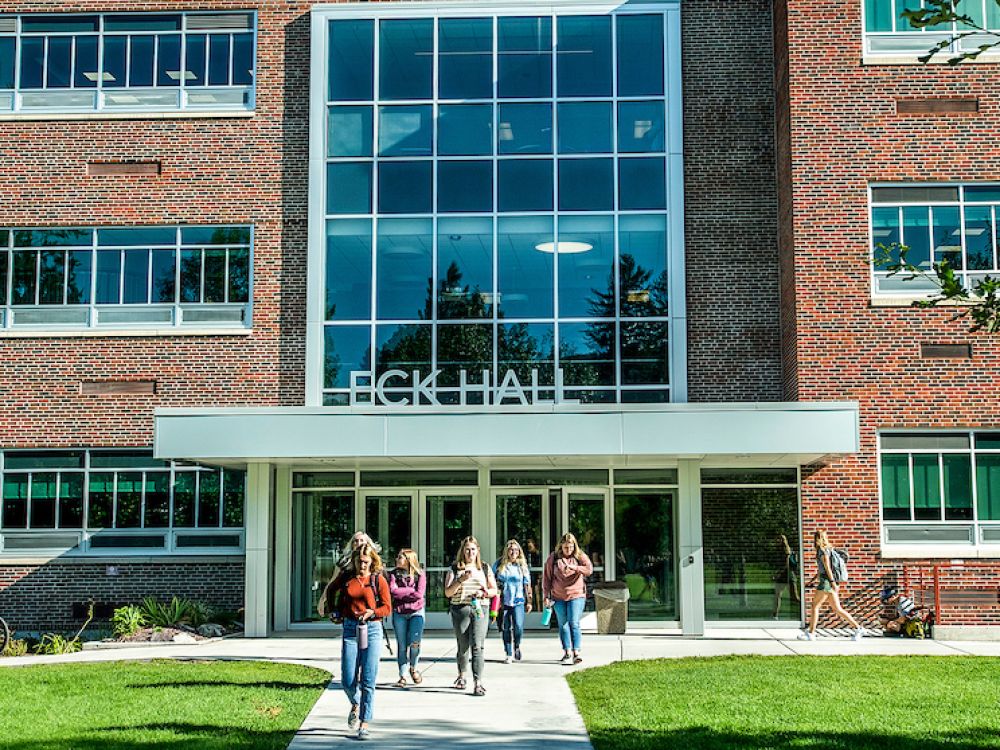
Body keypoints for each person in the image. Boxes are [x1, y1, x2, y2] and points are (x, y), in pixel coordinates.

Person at [329, 543, 390, 741]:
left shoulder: (377, 580)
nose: (362, 565)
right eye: (359, 561)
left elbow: (387, 607)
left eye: (366, 562)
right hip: (350, 628)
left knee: (368, 679)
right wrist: (334, 611)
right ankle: (355, 703)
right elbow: (331, 590)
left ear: (372, 561)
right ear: (354, 561)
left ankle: (364, 722)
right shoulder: (347, 578)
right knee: (347, 680)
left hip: (372, 629)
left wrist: (374, 612)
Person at [443, 535, 497, 696]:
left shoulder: (485, 568)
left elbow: (494, 590)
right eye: (467, 549)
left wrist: (484, 592)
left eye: (473, 549)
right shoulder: (455, 569)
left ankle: (478, 682)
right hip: (461, 609)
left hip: (481, 609)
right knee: (463, 646)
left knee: (478, 646)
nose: (470, 552)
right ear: (462, 551)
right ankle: (461, 675)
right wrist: (460, 580)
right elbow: (448, 592)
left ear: (477, 551)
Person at [797, 529, 864, 641]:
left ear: (817, 539)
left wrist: (832, 583)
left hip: (827, 582)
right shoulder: (827, 549)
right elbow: (821, 569)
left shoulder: (822, 551)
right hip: (828, 581)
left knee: (815, 606)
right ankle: (858, 628)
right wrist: (813, 580)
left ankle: (811, 633)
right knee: (837, 609)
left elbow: (827, 567)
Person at [542, 532, 593, 665]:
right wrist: (546, 596)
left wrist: (575, 568)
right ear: (561, 546)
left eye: (570, 547)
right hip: (558, 596)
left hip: (576, 595)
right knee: (563, 625)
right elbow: (547, 578)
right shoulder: (553, 558)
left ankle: (576, 652)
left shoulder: (579, 556)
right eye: (565, 548)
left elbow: (589, 569)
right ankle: (567, 651)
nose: (568, 550)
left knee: (573, 622)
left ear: (574, 546)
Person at [318, 531, 381, 618]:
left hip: (370, 604)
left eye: (362, 540)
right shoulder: (344, 561)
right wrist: (323, 600)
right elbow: (333, 581)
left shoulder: (373, 560)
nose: (359, 543)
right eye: (356, 541)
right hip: (349, 604)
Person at [388, 548, 426, 687]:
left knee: (415, 642)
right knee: (402, 645)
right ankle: (402, 675)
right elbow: (393, 591)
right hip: (399, 613)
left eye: (400, 557)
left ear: (409, 560)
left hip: (416, 612)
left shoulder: (419, 574)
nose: (397, 559)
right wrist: (410, 592)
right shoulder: (393, 575)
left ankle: (413, 667)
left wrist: (402, 593)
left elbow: (419, 594)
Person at [493, 539, 533, 664]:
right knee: (505, 627)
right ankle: (508, 652)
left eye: (516, 550)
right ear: (506, 551)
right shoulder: (499, 564)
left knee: (518, 626)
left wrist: (529, 601)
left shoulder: (522, 565)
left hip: (518, 600)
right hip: (503, 600)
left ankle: (517, 645)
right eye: (511, 549)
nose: (513, 552)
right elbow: (492, 580)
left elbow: (527, 584)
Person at [772, 533, 800, 619]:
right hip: (782, 576)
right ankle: (775, 616)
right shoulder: (778, 550)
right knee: (777, 596)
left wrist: (777, 574)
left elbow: (786, 564)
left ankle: (806, 610)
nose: (777, 541)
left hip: (789, 575)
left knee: (795, 597)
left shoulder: (786, 549)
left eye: (779, 539)